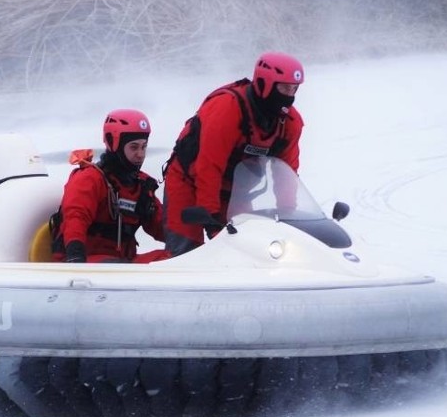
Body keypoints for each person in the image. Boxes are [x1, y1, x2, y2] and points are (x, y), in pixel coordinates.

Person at [162, 51, 306, 256]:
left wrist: (288, 215)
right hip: (189, 181)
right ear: (265, 84)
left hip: (234, 192)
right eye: (283, 88)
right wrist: (209, 215)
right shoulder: (228, 109)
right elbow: (209, 166)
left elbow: (287, 173)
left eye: (294, 89)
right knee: (185, 250)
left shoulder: (290, 123)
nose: (289, 96)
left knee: (248, 249)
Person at [51, 109, 168, 263]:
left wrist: (187, 236)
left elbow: (163, 227)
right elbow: (75, 218)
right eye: (134, 147)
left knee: (175, 258)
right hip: (82, 260)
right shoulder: (90, 179)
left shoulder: (141, 186)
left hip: (122, 263)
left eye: (144, 147)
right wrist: (75, 257)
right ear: (114, 143)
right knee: (118, 266)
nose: (140, 154)